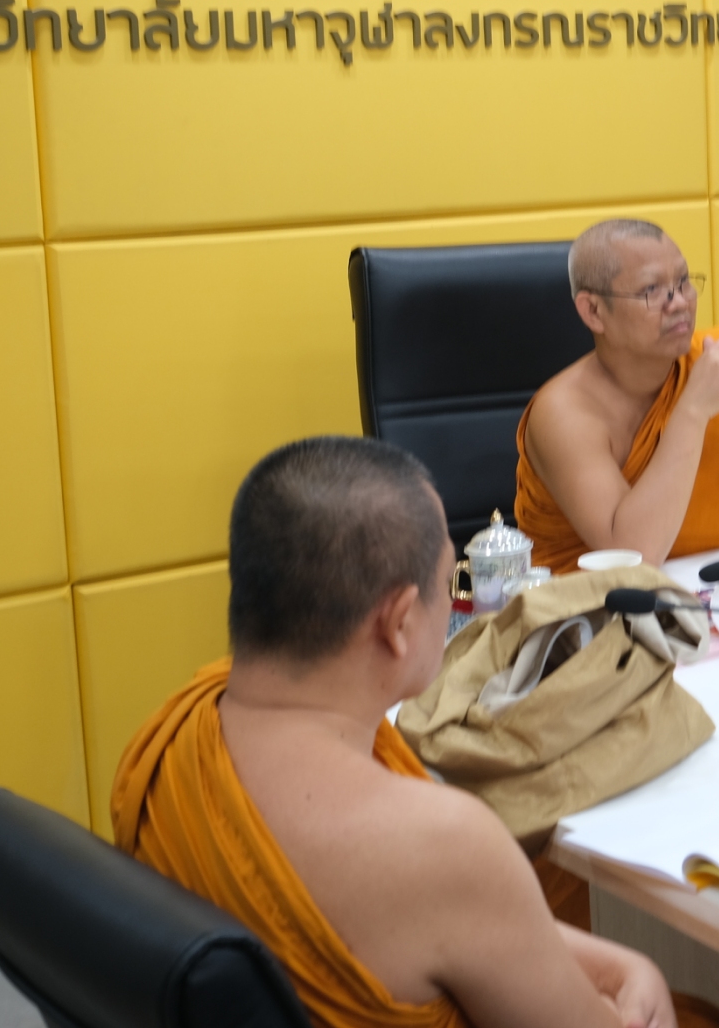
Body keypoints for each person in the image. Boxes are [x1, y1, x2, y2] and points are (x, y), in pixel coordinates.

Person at [112, 437, 678, 1028]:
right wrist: (640, 978)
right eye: (449, 581)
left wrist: (619, 963)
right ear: (400, 622)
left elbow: (461, 916)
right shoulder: (442, 843)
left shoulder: (169, 734)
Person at [516, 219, 719, 571]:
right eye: (652, 289)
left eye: (684, 281)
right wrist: (692, 411)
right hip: (604, 601)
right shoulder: (562, 414)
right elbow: (633, 556)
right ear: (593, 311)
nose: (680, 303)